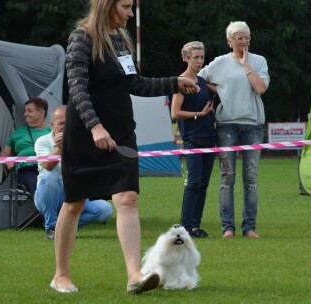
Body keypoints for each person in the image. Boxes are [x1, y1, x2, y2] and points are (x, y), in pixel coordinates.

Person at [51, 0, 199, 294]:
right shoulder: (81, 39)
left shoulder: (121, 40)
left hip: (121, 134)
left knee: (127, 198)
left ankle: (135, 276)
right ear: (107, 5)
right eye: (126, 7)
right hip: (85, 133)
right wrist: (95, 127)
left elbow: (137, 84)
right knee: (74, 203)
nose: (131, 13)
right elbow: (77, 88)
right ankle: (61, 276)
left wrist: (175, 82)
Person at [198, 21, 269, 239]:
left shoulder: (258, 61)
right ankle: (227, 228)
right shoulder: (219, 63)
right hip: (227, 124)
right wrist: (219, 90)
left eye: (247, 38)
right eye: (239, 38)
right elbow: (198, 78)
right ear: (229, 41)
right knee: (227, 177)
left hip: (253, 125)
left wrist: (246, 65)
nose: (244, 42)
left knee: (251, 178)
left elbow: (260, 88)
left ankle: (249, 227)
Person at [34, 106, 113, 240]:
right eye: (61, 124)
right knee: (50, 177)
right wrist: (60, 148)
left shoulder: (82, 140)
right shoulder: (42, 141)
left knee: (106, 210)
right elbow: (47, 166)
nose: (65, 127)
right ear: (52, 125)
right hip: (49, 194)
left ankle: (63, 226)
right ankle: (50, 227)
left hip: (75, 192)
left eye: (68, 122)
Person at [170, 41, 216, 238]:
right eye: (195, 57)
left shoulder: (203, 81)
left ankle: (195, 226)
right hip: (192, 139)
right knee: (194, 182)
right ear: (186, 58)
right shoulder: (181, 82)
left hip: (209, 138)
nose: (199, 61)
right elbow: (175, 113)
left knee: (203, 184)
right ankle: (186, 227)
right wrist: (199, 113)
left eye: (202, 57)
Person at [0, 97, 51, 196]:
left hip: (50, 168)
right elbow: (4, 153)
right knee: (37, 185)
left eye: (29, 111)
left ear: (41, 112)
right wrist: (7, 161)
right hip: (27, 171)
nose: (25, 114)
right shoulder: (17, 133)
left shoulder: (53, 131)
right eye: (25, 111)